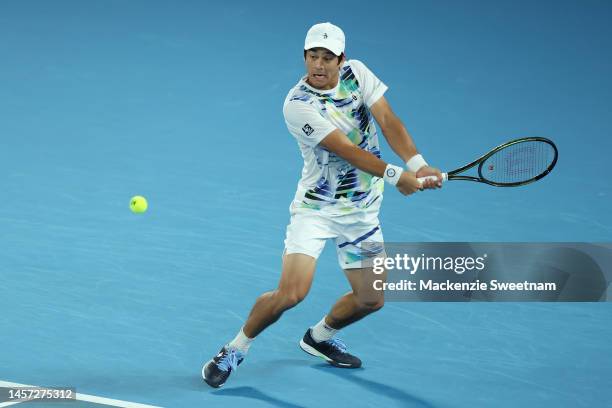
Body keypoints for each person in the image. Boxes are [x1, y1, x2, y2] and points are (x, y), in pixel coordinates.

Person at [202, 22, 442, 388]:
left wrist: (417, 164)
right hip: (316, 210)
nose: (318, 64)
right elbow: (346, 150)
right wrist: (396, 176)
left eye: (326, 57)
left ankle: (319, 337)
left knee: (370, 299)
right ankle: (235, 348)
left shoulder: (358, 74)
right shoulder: (297, 105)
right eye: (312, 56)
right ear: (304, 57)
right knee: (292, 293)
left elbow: (389, 121)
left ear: (341, 59)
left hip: (361, 212)